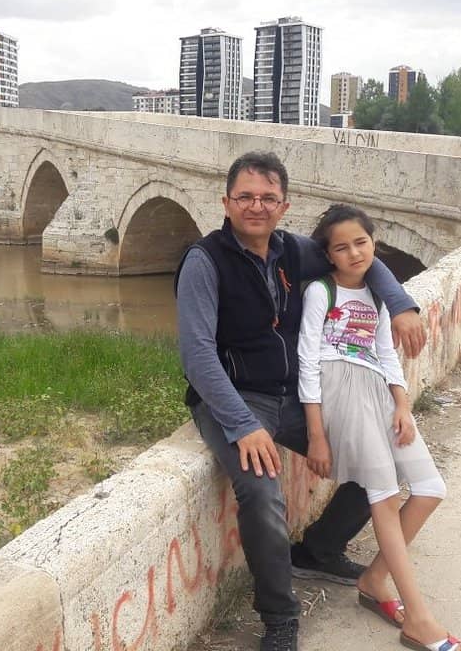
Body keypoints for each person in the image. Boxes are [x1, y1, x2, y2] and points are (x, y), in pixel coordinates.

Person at [174, 152, 426, 651]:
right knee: (263, 495)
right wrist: (243, 424)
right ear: (226, 202)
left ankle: (320, 549)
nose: (256, 206)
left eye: (268, 198)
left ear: (284, 206)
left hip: (296, 395)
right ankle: (280, 619)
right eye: (245, 197)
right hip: (236, 399)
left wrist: (400, 305)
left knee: (386, 456)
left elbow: (360, 256)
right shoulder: (205, 261)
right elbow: (197, 356)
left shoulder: (297, 252)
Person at [297, 204, 461, 651]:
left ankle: (375, 578)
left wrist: (402, 404)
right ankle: (419, 619)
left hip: (378, 392)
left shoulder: (378, 296)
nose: (354, 253)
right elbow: (308, 362)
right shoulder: (321, 291)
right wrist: (316, 433)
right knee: (385, 497)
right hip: (340, 391)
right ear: (329, 255)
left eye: (361, 242)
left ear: (374, 244)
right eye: (342, 247)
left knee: (431, 487)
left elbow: (386, 354)